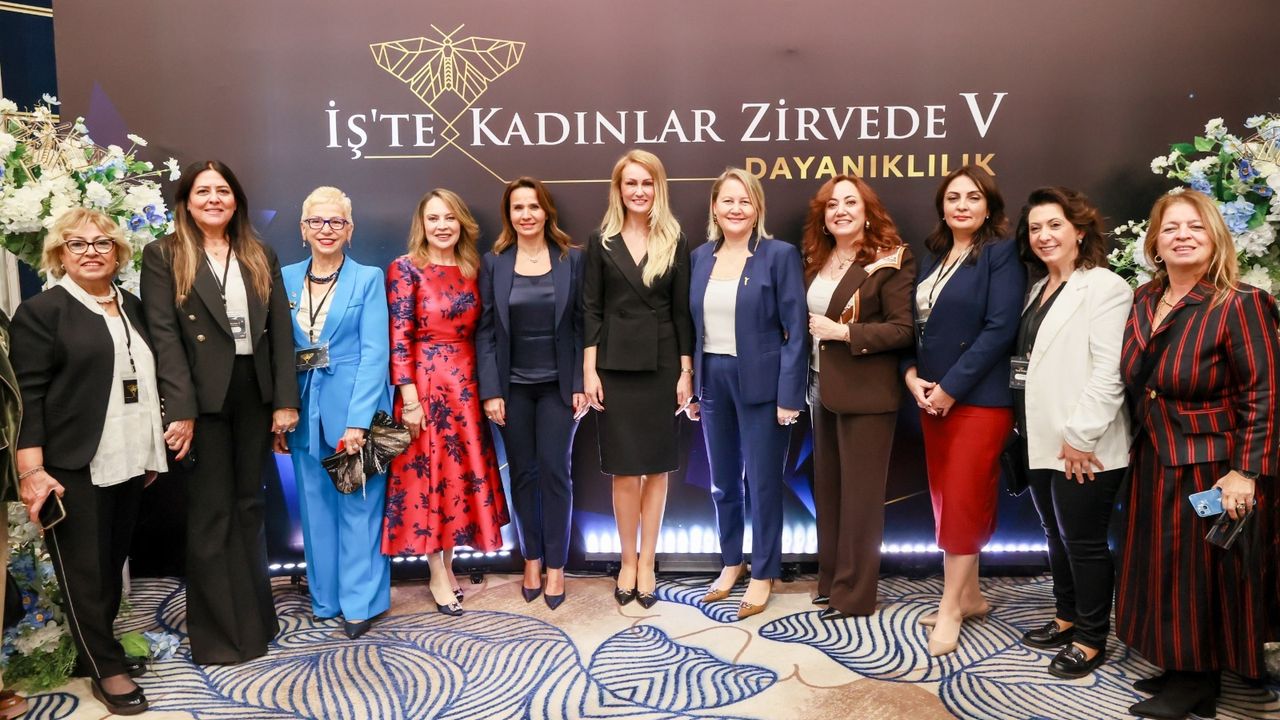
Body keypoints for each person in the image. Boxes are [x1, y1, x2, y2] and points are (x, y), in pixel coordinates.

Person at [1117, 190, 1280, 718]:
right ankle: (1178, 663)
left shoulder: (1241, 302)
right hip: (1154, 453)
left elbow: (1264, 393)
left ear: (1216, 239)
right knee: (1162, 565)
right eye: (1171, 228)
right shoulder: (1144, 298)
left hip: (1211, 465)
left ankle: (1196, 682)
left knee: (1198, 571)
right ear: (1155, 242)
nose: (1182, 235)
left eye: (1195, 227)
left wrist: (1245, 472)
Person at [141, 160, 299, 665]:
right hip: (201, 398)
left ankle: (255, 623)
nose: (214, 199)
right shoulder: (164, 254)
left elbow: (280, 333)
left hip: (254, 392)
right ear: (187, 201)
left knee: (249, 506)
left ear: (236, 200)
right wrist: (180, 409)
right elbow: (164, 337)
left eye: (223, 191)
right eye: (203, 191)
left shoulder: (258, 253)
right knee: (212, 514)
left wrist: (285, 401)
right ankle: (216, 638)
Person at [11, 208, 166, 714]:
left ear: (118, 253)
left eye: (102, 243)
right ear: (60, 254)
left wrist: (149, 446)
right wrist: (31, 471)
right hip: (71, 464)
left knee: (107, 566)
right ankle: (105, 668)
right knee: (83, 573)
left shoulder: (133, 306)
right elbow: (27, 398)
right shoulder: (43, 312)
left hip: (129, 456)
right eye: (77, 244)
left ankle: (95, 652)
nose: (91, 252)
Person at [904, 165, 1024, 656]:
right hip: (932, 399)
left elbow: (999, 330)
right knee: (948, 501)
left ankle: (951, 607)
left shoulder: (1000, 254)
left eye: (973, 197)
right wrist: (911, 375)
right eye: (953, 197)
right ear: (942, 205)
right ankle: (971, 596)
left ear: (989, 206)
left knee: (961, 502)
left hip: (977, 401)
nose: (961, 205)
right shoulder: (935, 256)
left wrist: (951, 388)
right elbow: (919, 328)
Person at [1012, 187, 1132, 678]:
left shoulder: (1105, 287)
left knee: (1083, 542)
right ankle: (1066, 616)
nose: (1044, 236)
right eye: (1035, 228)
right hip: (1039, 437)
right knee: (1055, 535)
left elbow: (1110, 371)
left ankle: (1090, 638)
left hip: (1085, 444)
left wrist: (1081, 436)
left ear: (1079, 231)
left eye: (1055, 225)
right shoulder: (1037, 288)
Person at [382, 188, 509, 616]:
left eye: (449, 217)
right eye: (434, 218)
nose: (442, 225)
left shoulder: (473, 268)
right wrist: (409, 399)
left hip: (466, 388)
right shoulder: (405, 268)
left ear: (461, 223)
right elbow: (398, 336)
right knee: (429, 482)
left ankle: (449, 564)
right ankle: (435, 571)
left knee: (456, 482)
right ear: (422, 224)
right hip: (425, 388)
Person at [687, 167, 807, 620]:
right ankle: (731, 561)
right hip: (712, 379)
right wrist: (693, 384)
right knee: (722, 482)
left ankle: (764, 571)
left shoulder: (779, 255)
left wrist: (789, 395)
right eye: (728, 201)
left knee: (762, 481)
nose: (736, 209)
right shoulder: (700, 257)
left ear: (757, 209)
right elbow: (692, 326)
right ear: (714, 208)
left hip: (763, 383)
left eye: (745, 201)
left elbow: (796, 331)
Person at [582, 150, 694, 608]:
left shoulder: (675, 239)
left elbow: (683, 313)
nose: (639, 191)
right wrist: (589, 370)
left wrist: (685, 371)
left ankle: (648, 561)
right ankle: (627, 561)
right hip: (614, 366)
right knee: (625, 470)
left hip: (662, 365)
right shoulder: (601, 240)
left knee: (657, 468)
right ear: (619, 189)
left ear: (658, 188)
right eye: (631, 183)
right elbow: (591, 309)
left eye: (647, 183)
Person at [802, 175, 915, 620]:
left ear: (867, 212)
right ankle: (831, 582)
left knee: (862, 500)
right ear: (823, 217)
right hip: (820, 388)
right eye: (832, 205)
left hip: (868, 394)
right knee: (829, 492)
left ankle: (856, 594)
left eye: (850, 202)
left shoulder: (891, 259)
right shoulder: (817, 258)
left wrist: (844, 333)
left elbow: (903, 329)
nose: (841, 211)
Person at [280, 187, 391, 638]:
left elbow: (375, 353)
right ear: (303, 229)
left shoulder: (368, 278)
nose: (326, 229)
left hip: (355, 412)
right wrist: (281, 408)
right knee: (315, 512)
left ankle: (360, 604)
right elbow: (277, 350)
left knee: (359, 508)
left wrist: (358, 422)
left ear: (350, 229)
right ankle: (326, 600)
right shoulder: (284, 278)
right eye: (316, 221)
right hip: (304, 411)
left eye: (336, 222)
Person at [476, 177, 586, 611]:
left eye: (533, 207)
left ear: (546, 212)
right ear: (509, 215)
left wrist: (579, 383)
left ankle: (557, 565)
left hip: (559, 388)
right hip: (512, 390)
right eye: (518, 208)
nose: (526, 215)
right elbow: (486, 331)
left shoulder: (571, 259)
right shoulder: (494, 263)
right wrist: (491, 391)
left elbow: (582, 326)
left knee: (556, 473)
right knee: (522, 474)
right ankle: (532, 559)